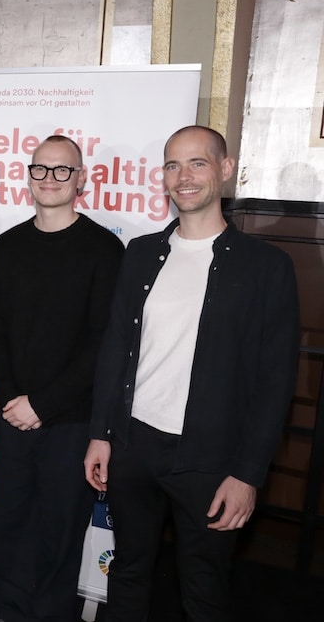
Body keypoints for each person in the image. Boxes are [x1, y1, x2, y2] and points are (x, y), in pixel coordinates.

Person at [83, 126, 301, 621]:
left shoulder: (267, 267)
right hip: (133, 445)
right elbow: (115, 348)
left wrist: (248, 474)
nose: (184, 176)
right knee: (128, 571)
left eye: (197, 163)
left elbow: (274, 383)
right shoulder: (140, 253)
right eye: (173, 165)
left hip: (211, 459)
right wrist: (100, 433)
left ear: (225, 169)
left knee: (203, 589)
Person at [0, 135, 124, 622]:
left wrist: (42, 404)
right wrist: (12, 399)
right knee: (9, 522)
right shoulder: (8, 245)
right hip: (12, 414)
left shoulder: (104, 249)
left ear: (81, 179)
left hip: (71, 421)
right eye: (41, 169)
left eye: (62, 170)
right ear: (29, 176)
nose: (50, 179)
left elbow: (102, 344)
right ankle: (11, 611)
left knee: (60, 530)